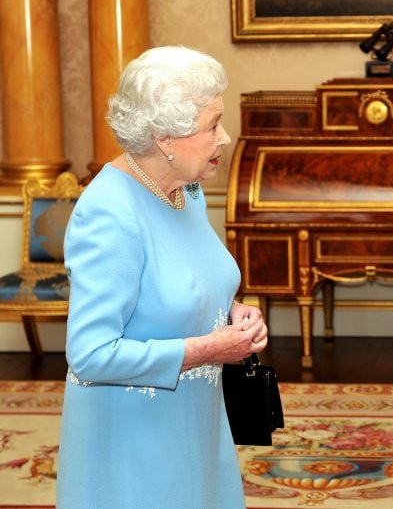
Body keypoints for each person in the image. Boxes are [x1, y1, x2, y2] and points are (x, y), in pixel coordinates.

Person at [56, 46, 268, 509]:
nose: (225, 138)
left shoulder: (185, 189)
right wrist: (211, 348)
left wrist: (234, 312)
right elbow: (91, 355)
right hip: (134, 442)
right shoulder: (108, 214)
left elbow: (186, 278)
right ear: (164, 137)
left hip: (197, 419)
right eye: (212, 125)